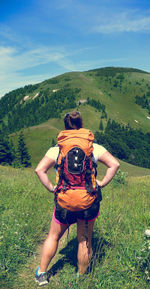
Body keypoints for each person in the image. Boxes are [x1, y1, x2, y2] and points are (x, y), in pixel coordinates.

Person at [35, 111, 120, 286]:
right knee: (84, 240)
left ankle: (42, 274)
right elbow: (115, 164)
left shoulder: (57, 148)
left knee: (53, 236)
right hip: (88, 201)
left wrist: (52, 188)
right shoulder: (94, 147)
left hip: (64, 201)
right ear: (81, 125)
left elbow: (39, 170)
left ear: (65, 127)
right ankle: (80, 279)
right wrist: (101, 183)